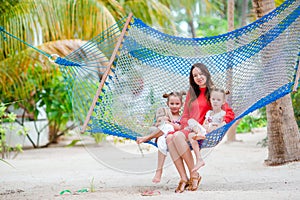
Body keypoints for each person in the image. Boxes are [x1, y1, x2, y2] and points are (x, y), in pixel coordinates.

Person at [166, 63, 235, 193]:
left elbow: (229, 113)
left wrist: (220, 124)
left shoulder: (214, 93)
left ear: (206, 73)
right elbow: (185, 115)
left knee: (175, 136)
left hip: (201, 131)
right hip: (188, 127)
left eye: (201, 74)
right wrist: (184, 125)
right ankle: (183, 177)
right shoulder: (191, 94)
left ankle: (194, 175)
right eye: (195, 75)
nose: (198, 77)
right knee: (169, 138)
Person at [136, 91, 186, 183]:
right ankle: (159, 170)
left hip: (173, 139)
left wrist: (170, 124)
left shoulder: (182, 117)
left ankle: (147, 137)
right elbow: (156, 125)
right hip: (162, 137)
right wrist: (162, 121)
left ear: (181, 104)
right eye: (172, 103)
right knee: (161, 140)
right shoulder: (165, 114)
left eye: (177, 104)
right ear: (167, 104)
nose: (174, 106)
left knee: (168, 127)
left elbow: (180, 128)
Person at [188, 87, 228, 173]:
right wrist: (204, 126)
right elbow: (205, 123)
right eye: (213, 99)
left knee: (211, 127)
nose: (215, 101)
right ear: (210, 100)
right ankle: (199, 159)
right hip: (204, 131)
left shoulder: (222, 113)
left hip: (213, 133)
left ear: (223, 102)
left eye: (218, 100)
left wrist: (215, 127)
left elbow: (223, 125)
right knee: (190, 129)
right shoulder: (209, 113)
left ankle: (200, 134)